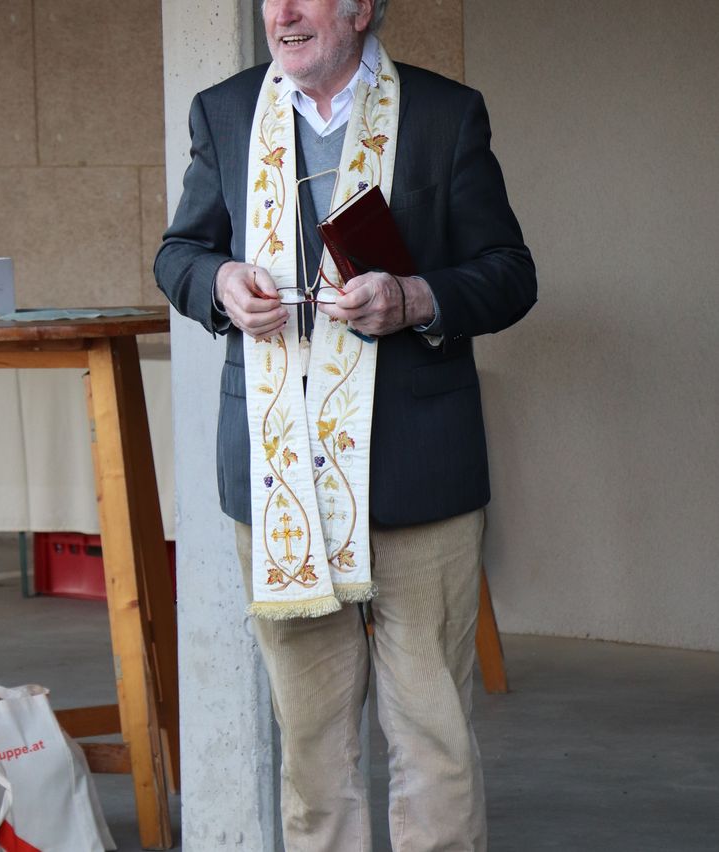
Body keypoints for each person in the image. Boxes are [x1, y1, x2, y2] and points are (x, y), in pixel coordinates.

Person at [155, 0, 536, 849]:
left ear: (362, 7)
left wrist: (415, 297)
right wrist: (218, 284)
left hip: (417, 473)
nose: (281, 13)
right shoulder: (223, 110)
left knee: (434, 742)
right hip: (278, 472)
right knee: (312, 749)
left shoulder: (445, 112)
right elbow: (177, 253)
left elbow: (509, 273)